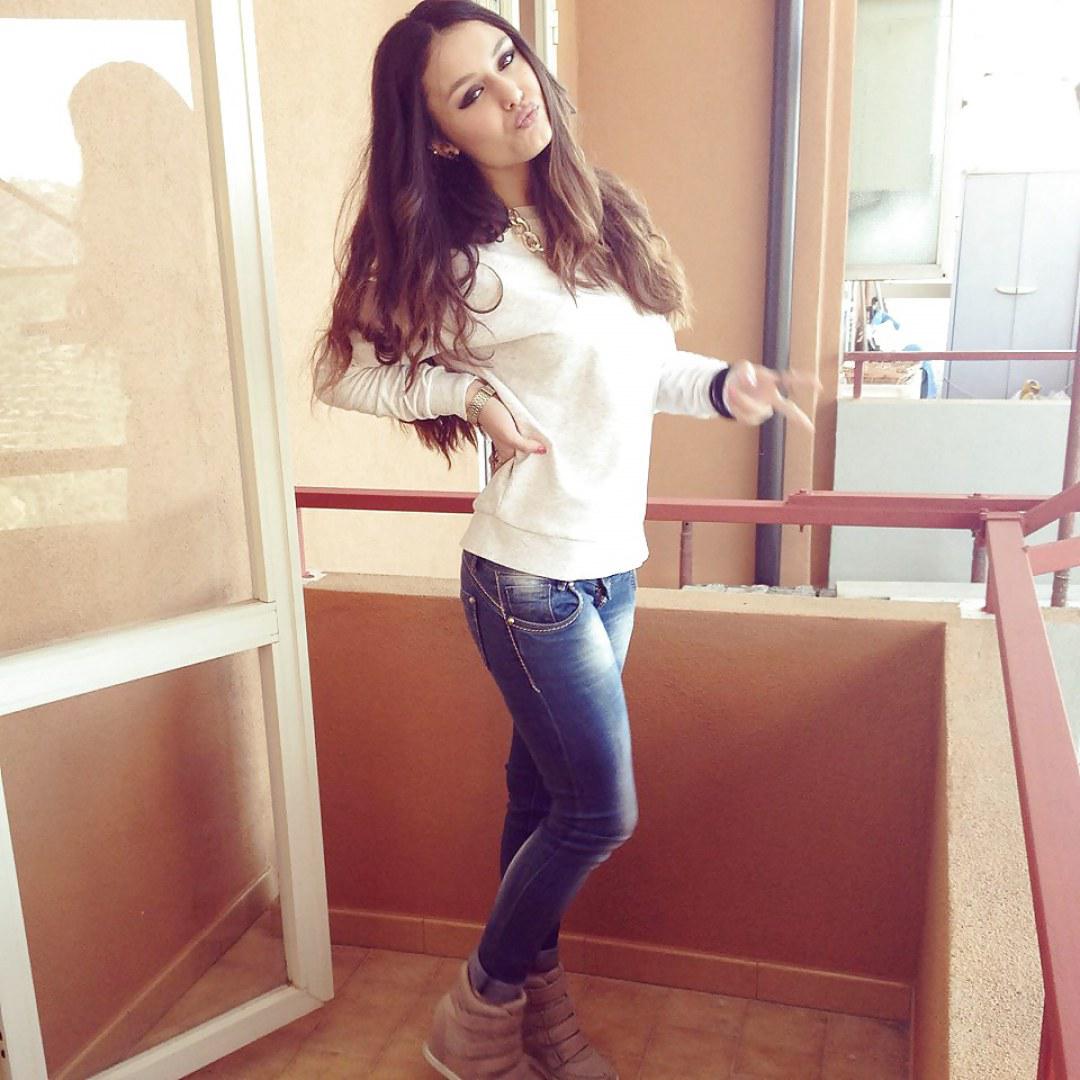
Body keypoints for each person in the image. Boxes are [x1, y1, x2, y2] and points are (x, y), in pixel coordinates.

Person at [310, 4, 814, 1077]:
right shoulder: (459, 264)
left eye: (508, 60)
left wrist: (724, 386)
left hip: (610, 569)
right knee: (598, 812)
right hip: (526, 578)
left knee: (540, 801)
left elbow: (637, 370)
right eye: (471, 93)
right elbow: (345, 371)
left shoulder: (597, 211)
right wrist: (466, 396)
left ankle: (539, 1021)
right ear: (443, 137)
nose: (511, 93)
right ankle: (476, 1011)